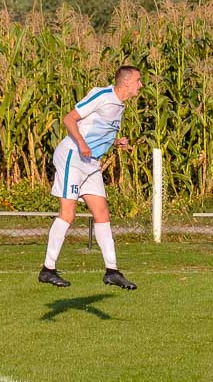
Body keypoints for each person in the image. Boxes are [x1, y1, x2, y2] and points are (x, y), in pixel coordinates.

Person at [39, 65, 143, 289]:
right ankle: (48, 269)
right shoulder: (103, 95)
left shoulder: (120, 106)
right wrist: (82, 144)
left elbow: (97, 130)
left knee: (102, 213)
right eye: (138, 81)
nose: (140, 85)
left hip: (90, 162)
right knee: (68, 213)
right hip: (72, 156)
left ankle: (112, 271)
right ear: (126, 82)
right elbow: (69, 119)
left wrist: (116, 142)